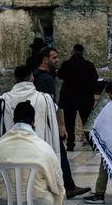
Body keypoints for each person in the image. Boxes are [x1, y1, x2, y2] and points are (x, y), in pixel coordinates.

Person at [32, 48, 91, 197]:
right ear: (46, 59)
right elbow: (50, 103)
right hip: (48, 122)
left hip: (38, 121)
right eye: (54, 57)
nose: (57, 60)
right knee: (60, 154)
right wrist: (60, 124)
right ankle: (68, 187)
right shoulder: (47, 79)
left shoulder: (35, 75)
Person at [57, 44, 99, 151]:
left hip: (69, 98)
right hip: (84, 98)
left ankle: (70, 144)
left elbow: (60, 75)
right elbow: (95, 78)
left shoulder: (67, 64)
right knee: (87, 122)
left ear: (73, 51)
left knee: (69, 122)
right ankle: (92, 142)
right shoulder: (88, 65)